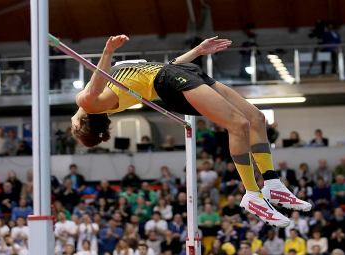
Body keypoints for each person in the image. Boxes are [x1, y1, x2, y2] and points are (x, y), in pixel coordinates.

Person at [70, 34, 311, 226]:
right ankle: (252, 194)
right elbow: (92, 88)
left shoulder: (103, 101)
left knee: (256, 118)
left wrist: (197, 52)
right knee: (238, 125)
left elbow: (166, 67)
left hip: (177, 73)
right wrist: (108, 50)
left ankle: (272, 184)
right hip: (168, 80)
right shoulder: (91, 101)